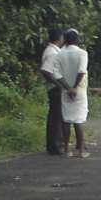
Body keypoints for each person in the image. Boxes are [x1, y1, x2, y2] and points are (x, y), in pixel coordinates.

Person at [57, 28, 90, 158]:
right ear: (77, 40)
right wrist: (74, 87)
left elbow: (57, 74)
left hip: (65, 90)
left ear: (65, 40)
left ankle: (66, 150)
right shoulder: (82, 53)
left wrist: (68, 87)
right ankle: (81, 151)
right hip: (79, 90)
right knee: (79, 120)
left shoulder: (60, 54)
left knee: (66, 119)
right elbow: (82, 71)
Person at [38, 27, 64, 155]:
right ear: (59, 38)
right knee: (56, 117)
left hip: (53, 87)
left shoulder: (50, 51)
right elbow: (46, 70)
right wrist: (58, 84)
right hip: (55, 89)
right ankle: (55, 145)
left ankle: (54, 144)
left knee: (55, 116)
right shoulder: (53, 53)